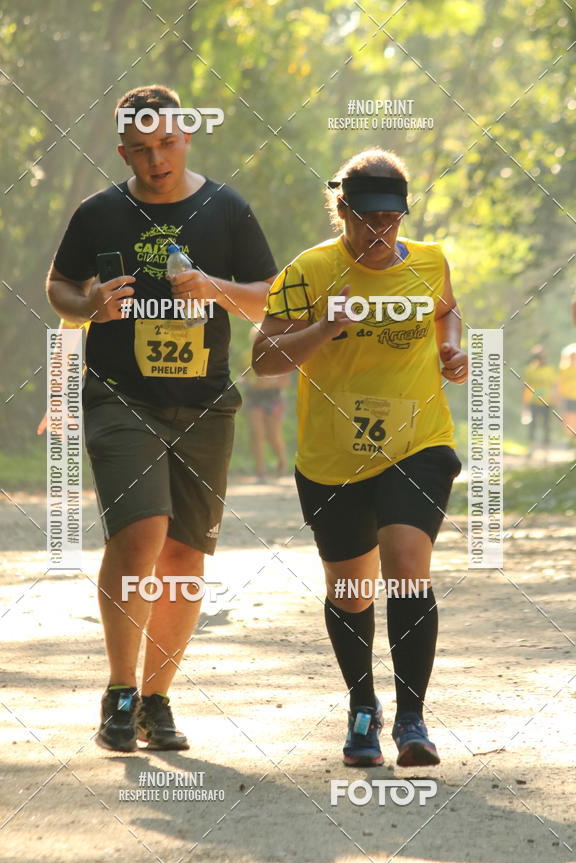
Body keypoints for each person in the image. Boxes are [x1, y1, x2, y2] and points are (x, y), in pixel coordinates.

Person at [46, 84, 277, 752]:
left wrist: (215, 288)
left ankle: (157, 699)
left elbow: (268, 298)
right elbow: (58, 286)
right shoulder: (98, 214)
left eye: (167, 144)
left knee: (183, 554)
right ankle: (120, 690)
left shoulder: (225, 209)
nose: (157, 160)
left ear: (187, 135)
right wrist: (87, 303)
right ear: (123, 151)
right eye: (141, 150)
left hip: (205, 404)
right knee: (141, 532)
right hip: (122, 395)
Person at [253, 148, 466, 768]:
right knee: (349, 591)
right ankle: (362, 708)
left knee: (406, 563)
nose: (380, 232)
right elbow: (263, 360)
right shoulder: (309, 271)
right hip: (333, 457)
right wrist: (323, 328)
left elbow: (446, 314)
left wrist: (451, 352)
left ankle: (413, 719)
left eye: (391, 220)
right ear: (340, 209)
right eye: (367, 219)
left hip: (418, 441)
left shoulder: (429, 262)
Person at [242, 326, 289, 481]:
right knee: (257, 434)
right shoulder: (246, 357)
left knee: (272, 435)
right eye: (256, 337)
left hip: (273, 399)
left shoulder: (278, 354)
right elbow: (241, 377)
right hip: (254, 399)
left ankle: (282, 462)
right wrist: (249, 383)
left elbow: (285, 381)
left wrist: (267, 383)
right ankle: (260, 471)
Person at [521, 346, 556, 458]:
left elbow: (553, 386)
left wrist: (555, 399)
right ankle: (531, 448)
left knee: (546, 425)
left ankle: (546, 450)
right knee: (533, 425)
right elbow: (526, 387)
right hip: (533, 401)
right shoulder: (530, 370)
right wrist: (525, 403)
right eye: (538, 357)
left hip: (547, 401)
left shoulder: (549, 369)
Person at [556, 343, 576, 446]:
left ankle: (573, 440)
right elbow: (559, 384)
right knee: (567, 420)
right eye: (572, 356)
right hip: (567, 398)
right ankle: (569, 439)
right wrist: (558, 398)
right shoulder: (563, 369)